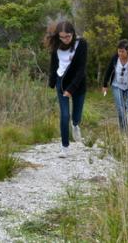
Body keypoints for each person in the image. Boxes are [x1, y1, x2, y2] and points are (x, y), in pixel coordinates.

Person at [46, 21, 88, 157]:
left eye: (68, 36)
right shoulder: (56, 45)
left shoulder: (81, 44)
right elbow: (54, 65)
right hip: (61, 82)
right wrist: (52, 83)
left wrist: (71, 89)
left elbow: (81, 70)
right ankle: (64, 147)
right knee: (64, 115)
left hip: (78, 84)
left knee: (76, 116)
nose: (65, 40)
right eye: (62, 37)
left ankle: (75, 125)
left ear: (73, 34)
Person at [102, 39, 128, 132]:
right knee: (121, 108)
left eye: (122, 51)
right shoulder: (115, 58)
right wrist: (105, 85)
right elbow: (108, 71)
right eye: (119, 51)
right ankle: (124, 131)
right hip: (117, 86)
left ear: (127, 51)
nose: (120, 53)